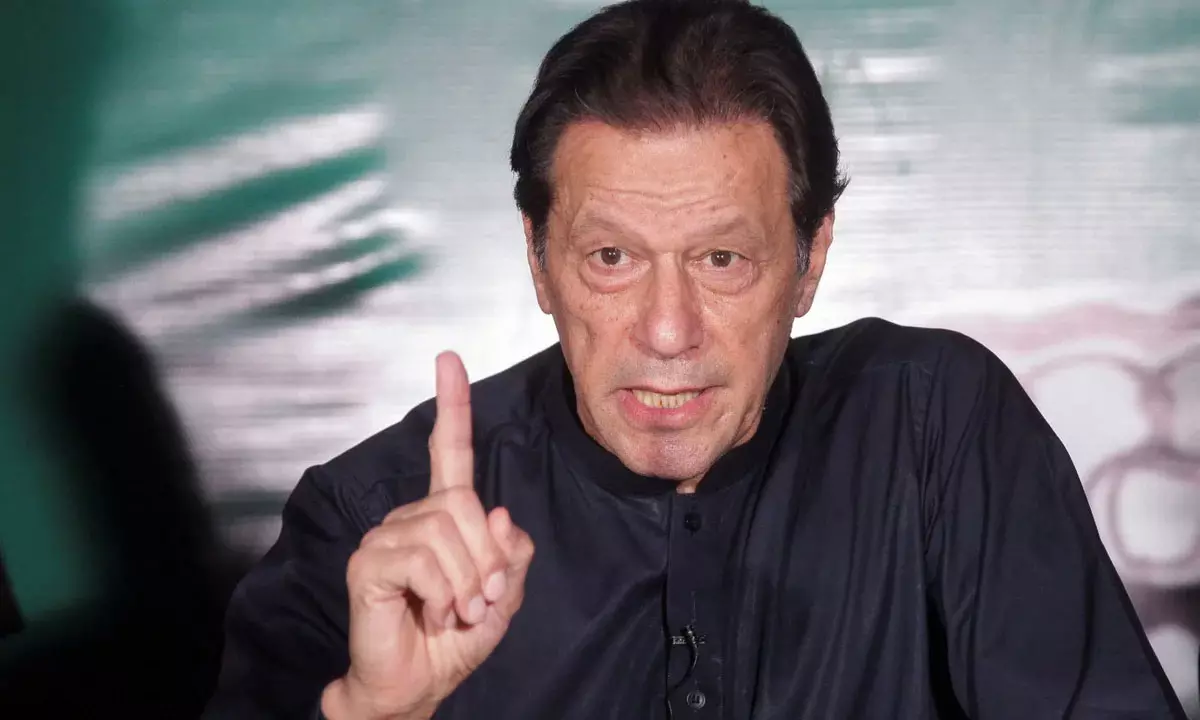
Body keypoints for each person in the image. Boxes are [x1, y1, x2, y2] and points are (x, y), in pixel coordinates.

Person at [205, 1, 1187, 718]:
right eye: (611, 258)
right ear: (538, 260)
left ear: (809, 261)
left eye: (722, 259)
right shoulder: (369, 522)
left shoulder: (935, 427)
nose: (668, 331)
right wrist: (373, 718)